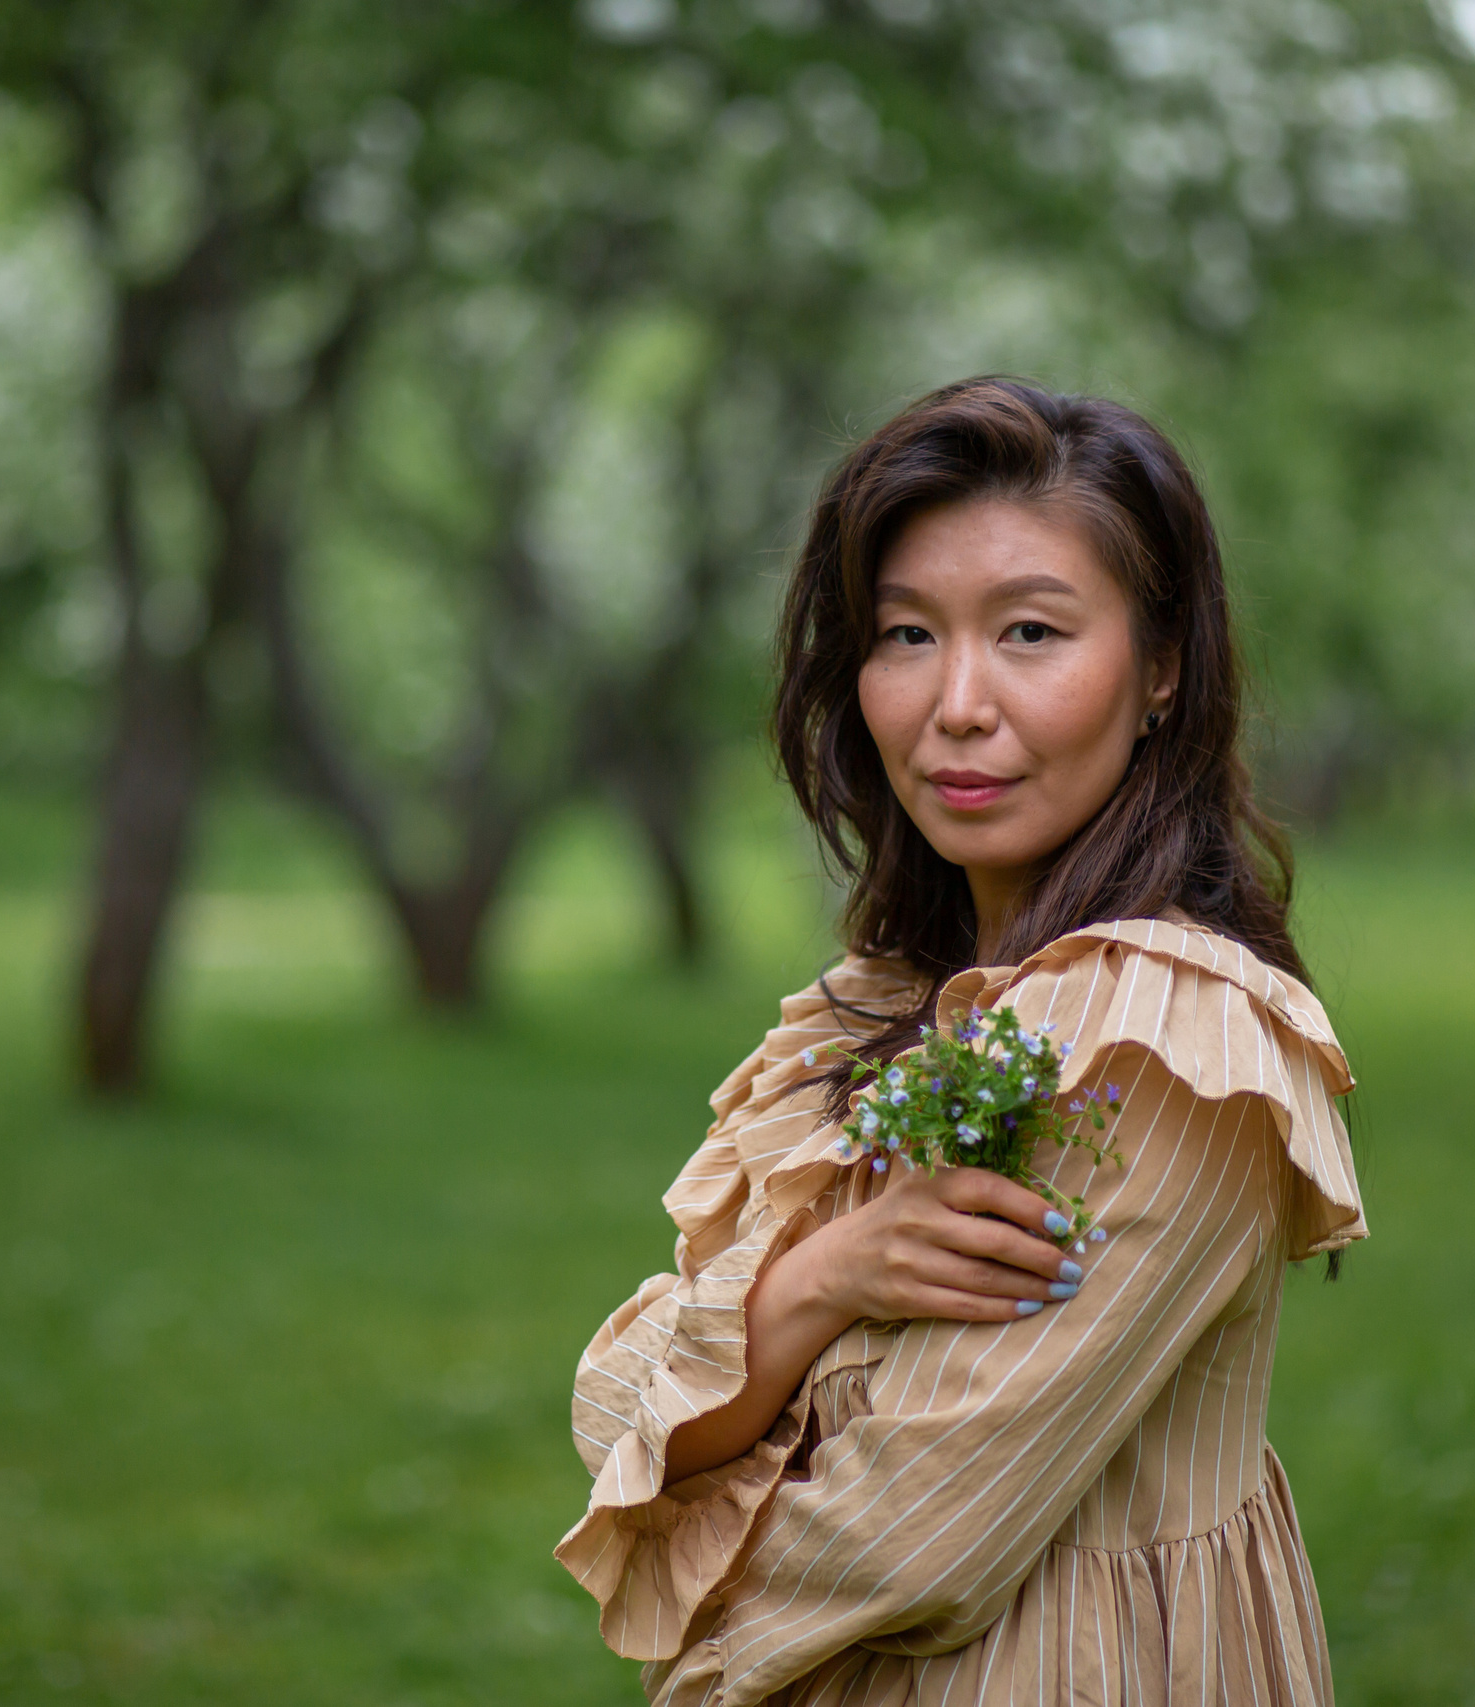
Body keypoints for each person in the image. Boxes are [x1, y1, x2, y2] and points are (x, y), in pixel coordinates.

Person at [557, 378, 1368, 1705]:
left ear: (1162, 669)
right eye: (907, 635)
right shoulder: (887, 1006)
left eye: (1033, 632)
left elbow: (918, 1533)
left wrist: (692, 1648)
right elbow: (616, 1408)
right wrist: (825, 1275)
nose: (957, 704)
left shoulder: (1165, 1038)